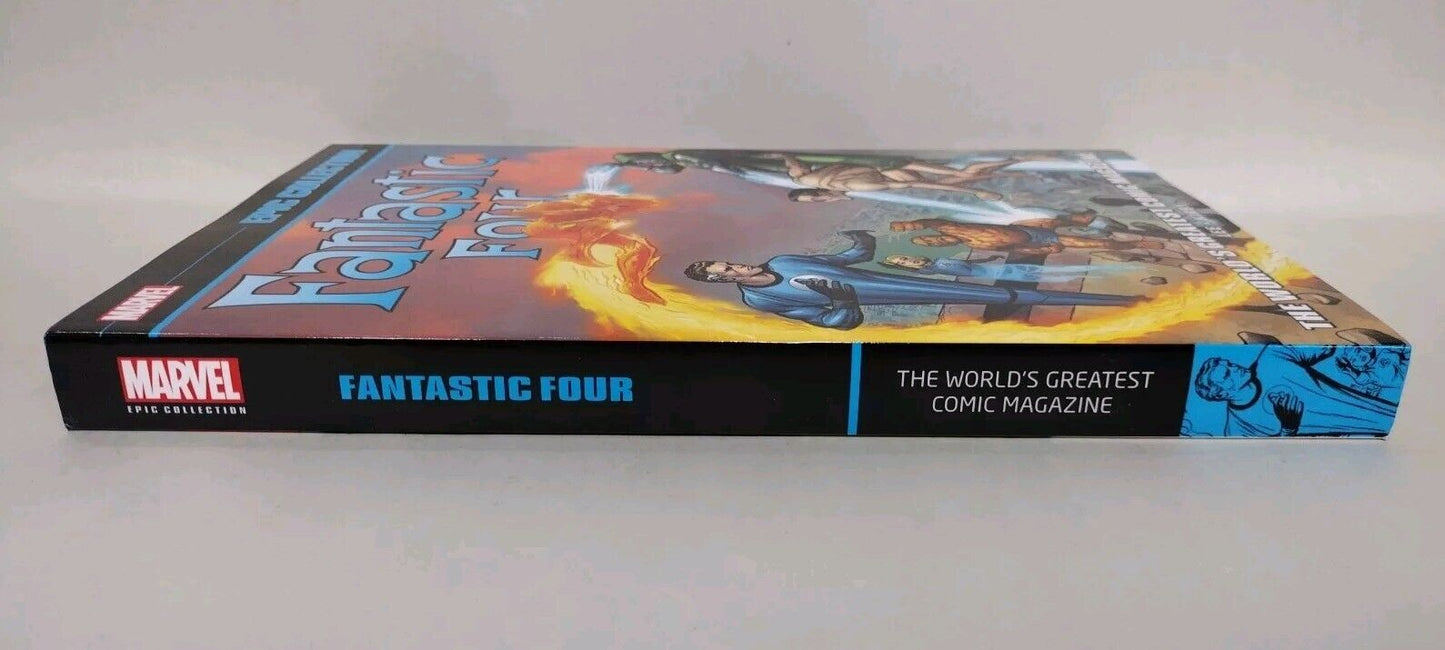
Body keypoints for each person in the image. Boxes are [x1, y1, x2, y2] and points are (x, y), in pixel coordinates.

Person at [683, 231, 1141, 330]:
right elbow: (834, 324)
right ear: (725, 284)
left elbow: (846, 259)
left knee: (1015, 288)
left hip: (923, 281)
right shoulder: (761, 302)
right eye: (727, 274)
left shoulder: (782, 256)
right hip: (899, 295)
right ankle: (1122, 306)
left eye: (729, 263)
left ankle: (1122, 299)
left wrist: (862, 244)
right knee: (1014, 297)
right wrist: (842, 303)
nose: (737, 268)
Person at [1189, 345, 1398, 436]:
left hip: (1385, 409)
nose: (1235, 368)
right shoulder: (1238, 427)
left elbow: (1325, 346)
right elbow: (1266, 463)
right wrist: (1289, 426)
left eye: (1229, 364)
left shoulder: (1272, 356)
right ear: (1221, 394)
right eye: (1227, 374)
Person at [891, 214, 1168, 255]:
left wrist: (910, 224)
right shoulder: (976, 246)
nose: (938, 240)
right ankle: (1139, 242)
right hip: (1038, 240)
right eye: (935, 244)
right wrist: (1042, 250)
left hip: (1024, 226)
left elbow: (932, 221)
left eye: (934, 237)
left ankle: (1083, 218)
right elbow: (1015, 250)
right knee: (1089, 243)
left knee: (1057, 219)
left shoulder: (952, 228)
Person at [878, 254, 1128, 283]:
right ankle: (1079, 276)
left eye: (906, 257)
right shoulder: (928, 271)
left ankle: (1088, 271)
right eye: (903, 262)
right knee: (1050, 277)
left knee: (1036, 270)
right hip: (990, 276)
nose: (909, 260)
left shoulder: (939, 259)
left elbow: (970, 262)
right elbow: (916, 272)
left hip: (999, 268)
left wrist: (989, 258)